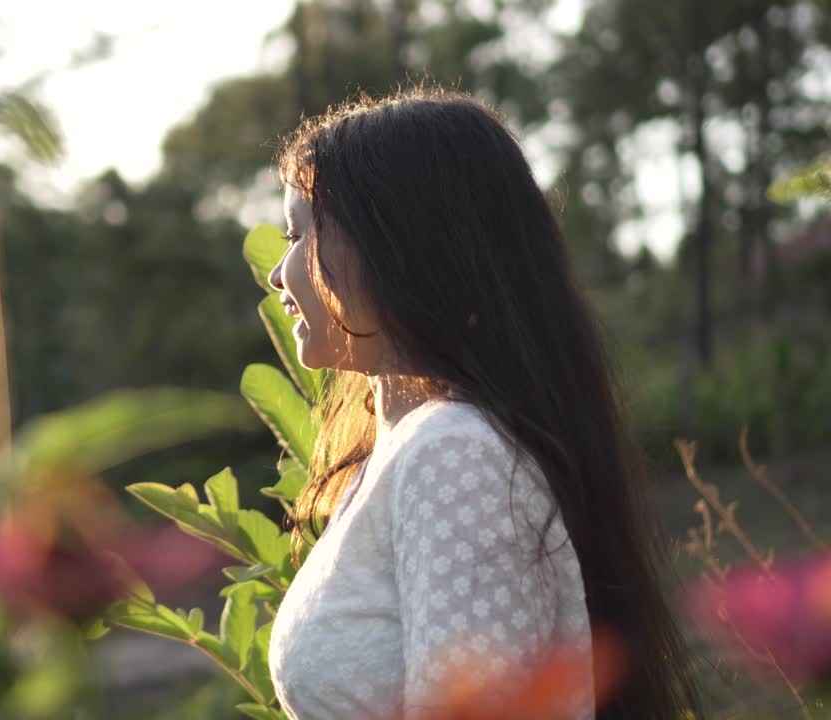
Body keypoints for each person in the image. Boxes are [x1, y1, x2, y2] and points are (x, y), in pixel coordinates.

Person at [265, 89, 704, 720]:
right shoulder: (408, 449)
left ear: (399, 249)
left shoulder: (454, 455)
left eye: (300, 234)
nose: (279, 274)